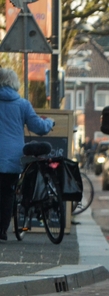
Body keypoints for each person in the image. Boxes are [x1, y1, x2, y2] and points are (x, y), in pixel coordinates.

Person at [0, 67, 55, 241]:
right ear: (14, 83)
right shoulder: (22, 104)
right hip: (12, 158)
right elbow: (38, 127)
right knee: (8, 193)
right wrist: (50, 122)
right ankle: (2, 230)